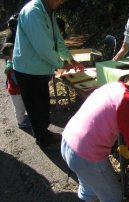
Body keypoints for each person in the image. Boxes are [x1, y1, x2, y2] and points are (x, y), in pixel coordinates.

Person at [61, 69, 129, 202]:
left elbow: (109, 117)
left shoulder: (114, 86)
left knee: (90, 187)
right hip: (86, 155)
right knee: (113, 196)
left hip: (68, 141)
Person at [13, 0, 84, 149]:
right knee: (35, 108)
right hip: (28, 69)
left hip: (38, 68)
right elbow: (44, 48)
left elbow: (57, 40)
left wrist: (69, 58)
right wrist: (61, 64)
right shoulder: (34, 12)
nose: (62, 1)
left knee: (43, 104)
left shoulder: (47, 10)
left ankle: (45, 134)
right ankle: (43, 140)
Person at [1, 43, 30, 128]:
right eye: (14, 52)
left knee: (22, 104)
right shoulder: (11, 67)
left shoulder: (14, 63)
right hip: (15, 91)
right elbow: (17, 81)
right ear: (7, 56)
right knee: (19, 107)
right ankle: (20, 122)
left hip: (17, 90)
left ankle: (23, 117)